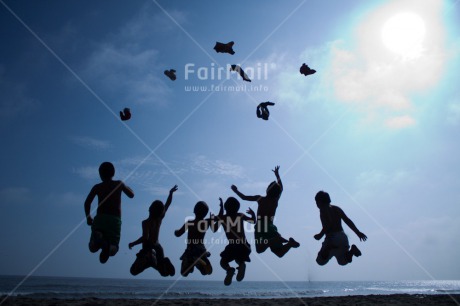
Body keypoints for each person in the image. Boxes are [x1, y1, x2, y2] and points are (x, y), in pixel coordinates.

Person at [231, 165, 300, 258]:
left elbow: (244, 197)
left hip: (261, 226)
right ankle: (289, 244)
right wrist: (277, 175)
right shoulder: (275, 201)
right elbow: (281, 188)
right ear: (277, 193)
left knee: (259, 249)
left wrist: (235, 191)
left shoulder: (260, 199)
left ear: (267, 189)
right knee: (279, 253)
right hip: (271, 227)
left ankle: (274, 239)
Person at [84, 162, 134, 263]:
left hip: (100, 219)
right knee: (114, 249)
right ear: (113, 173)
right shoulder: (119, 184)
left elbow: (87, 203)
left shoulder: (97, 187)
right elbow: (132, 195)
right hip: (114, 221)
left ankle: (98, 237)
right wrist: (125, 186)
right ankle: (107, 246)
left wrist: (88, 217)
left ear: (100, 174)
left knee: (92, 248)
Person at [128, 185, 178, 277]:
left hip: (147, 249)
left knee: (133, 271)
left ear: (150, 209)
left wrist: (133, 243)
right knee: (164, 273)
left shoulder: (146, 223)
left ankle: (149, 259)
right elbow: (167, 204)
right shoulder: (159, 219)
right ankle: (156, 261)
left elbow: (145, 237)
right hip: (158, 248)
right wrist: (170, 194)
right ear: (160, 212)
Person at [313, 191, 367, 266]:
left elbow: (328, 225)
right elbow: (347, 220)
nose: (316, 205)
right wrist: (358, 232)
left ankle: (329, 247)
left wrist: (320, 235)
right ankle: (351, 251)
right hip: (343, 237)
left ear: (320, 202)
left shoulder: (323, 210)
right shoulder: (337, 209)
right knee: (342, 261)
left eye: (317, 202)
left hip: (332, 238)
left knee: (320, 261)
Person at [216, 197, 255, 285]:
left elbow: (214, 229)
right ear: (237, 208)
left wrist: (221, 208)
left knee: (223, 262)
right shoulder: (240, 215)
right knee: (239, 259)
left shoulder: (223, 218)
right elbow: (253, 221)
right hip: (244, 246)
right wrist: (253, 214)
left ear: (226, 208)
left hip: (232, 246)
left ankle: (229, 270)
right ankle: (241, 265)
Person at [174, 201, 217, 277]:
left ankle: (193, 261)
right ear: (205, 213)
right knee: (205, 272)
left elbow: (178, 234)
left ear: (194, 210)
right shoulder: (207, 222)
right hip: (201, 249)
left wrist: (175, 231)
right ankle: (198, 262)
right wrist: (213, 219)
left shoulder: (190, 222)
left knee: (184, 273)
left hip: (191, 249)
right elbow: (214, 229)